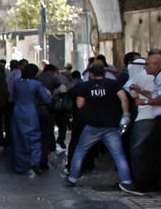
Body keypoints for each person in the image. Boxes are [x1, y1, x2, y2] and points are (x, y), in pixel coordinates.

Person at [65, 64, 138, 194]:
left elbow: (79, 104)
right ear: (104, 73)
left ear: (91, 74)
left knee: (80, 151)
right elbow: (124, 99)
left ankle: (72, 178)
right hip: (111, 125)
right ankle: (126, 181)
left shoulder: (85, 86)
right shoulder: (113, 84)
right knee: (119, 154)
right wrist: (126, 115)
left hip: (92, 125)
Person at [8, 63, 52, 175]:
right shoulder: (36, 84)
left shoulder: (17, 83)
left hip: (18, 112)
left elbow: (13, 97)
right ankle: (34, 162)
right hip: (30, 112)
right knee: (34, 138)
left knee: (18, 139)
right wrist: (49, 94)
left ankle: (20, 166)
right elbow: (47, 100)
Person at [127, 51, 161, 192]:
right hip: (155, 119)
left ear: (157, 65)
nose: (145, 67)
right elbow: (155, 95)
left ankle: (144, 185)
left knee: (148, 152)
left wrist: (145, 101)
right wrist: (141, 91)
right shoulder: (156, 78)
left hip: (154, 119)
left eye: (148, 64)